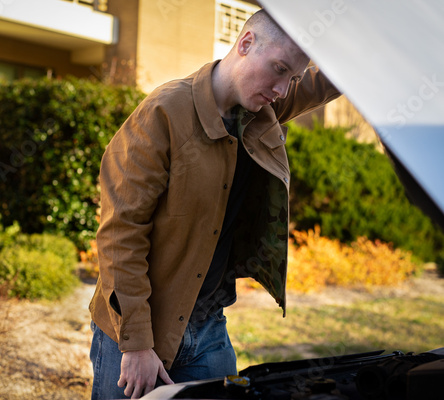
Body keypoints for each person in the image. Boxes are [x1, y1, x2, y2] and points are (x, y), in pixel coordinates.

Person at [89, 9, 341, 399]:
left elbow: (320, 83)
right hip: (139, 334)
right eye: (278, 70)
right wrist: (136, 343)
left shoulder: (261, 109)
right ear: (245, 44)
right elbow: (121, 233)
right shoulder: (162, 114)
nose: (283, 89)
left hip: (209, 329)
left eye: (290, 78)